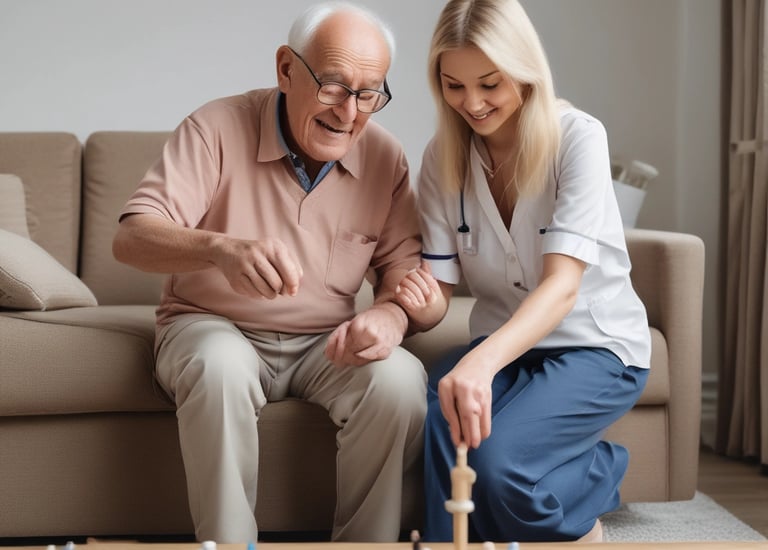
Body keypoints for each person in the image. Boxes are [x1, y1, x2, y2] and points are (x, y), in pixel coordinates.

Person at [112, 2, 427, 544]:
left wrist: (394, 314)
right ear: (286, 69)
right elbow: (132, 237)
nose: (348, 112)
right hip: (212, 324)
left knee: (400, 381)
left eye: (367, 93)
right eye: (331, 85)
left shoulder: (385, 157)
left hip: (326, 345)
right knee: (219, 366)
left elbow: (412, 280)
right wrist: (220, 250)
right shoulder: (214, 126)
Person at [393, 0, 652, 543]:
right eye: (454, 85)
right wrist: (417, 305)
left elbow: (562, 287)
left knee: (498, 466)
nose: (473, 103)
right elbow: (441, 287)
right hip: (507, 344)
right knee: (435, 410)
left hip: (594, 346)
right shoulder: (442, 158)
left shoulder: (578, 138)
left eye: (489, 83)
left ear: (525, 70)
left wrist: (480, 364)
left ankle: (598, 475)